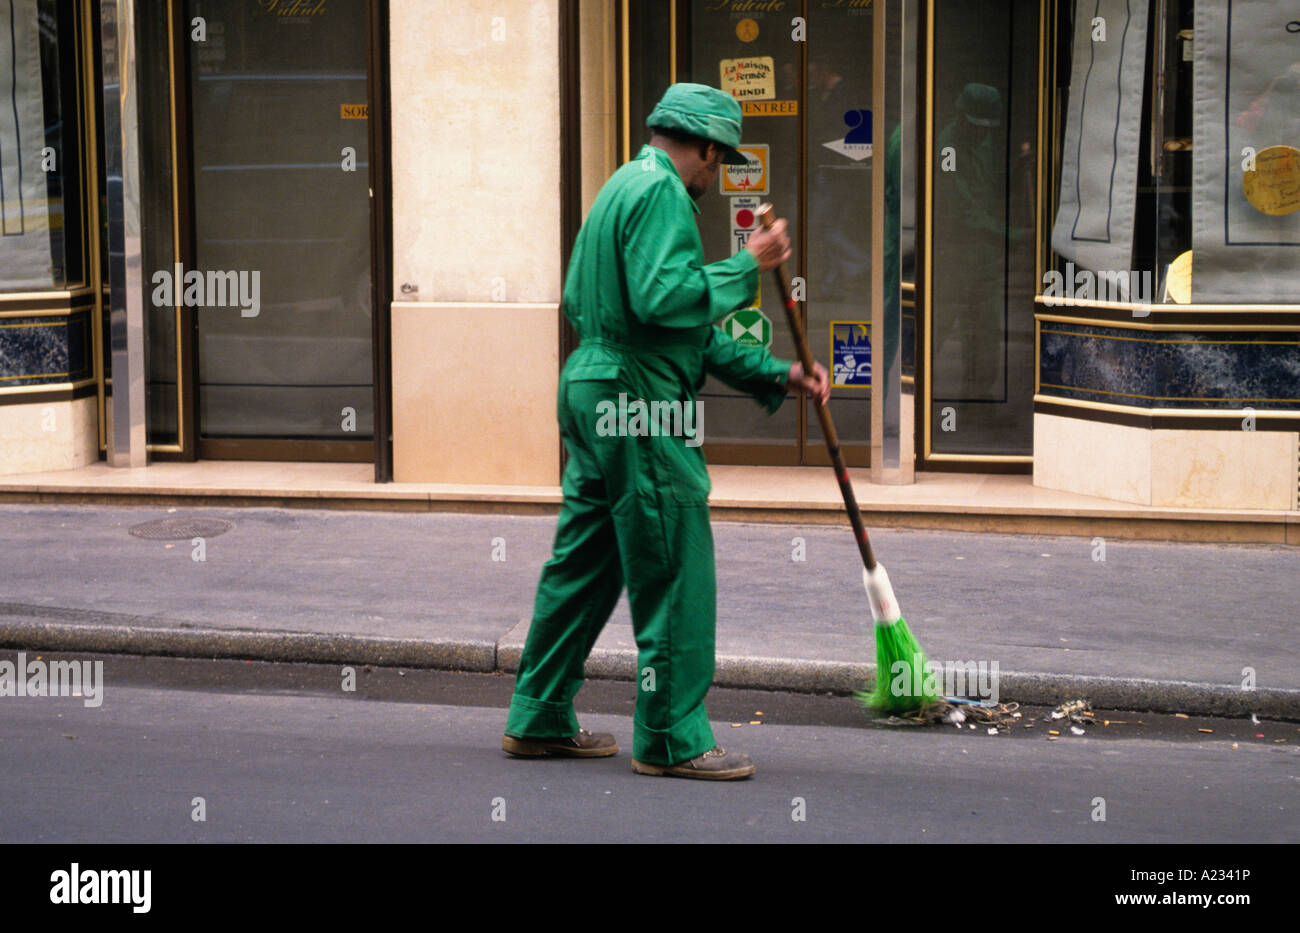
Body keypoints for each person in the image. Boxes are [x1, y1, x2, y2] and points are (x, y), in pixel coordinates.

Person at [501, 83, 829, 780]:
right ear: (705, 147)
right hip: (636, 395)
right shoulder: (663, 195)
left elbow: (680, 329)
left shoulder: (623, 184)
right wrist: (751, 264)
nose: (718, 175)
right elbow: (667, 300)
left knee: (588, 559)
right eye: (721, 159)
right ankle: (672, 733)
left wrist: (777, 374)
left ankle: (538, 712)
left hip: (594, 384)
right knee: (675, 557)